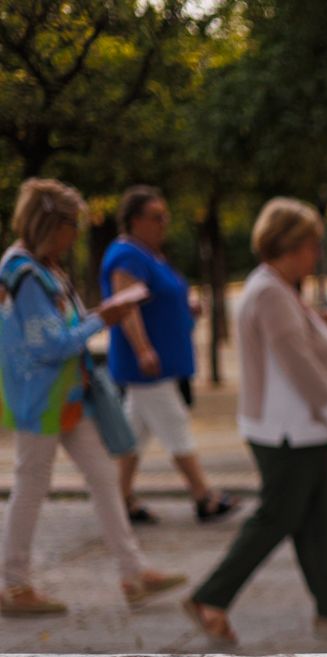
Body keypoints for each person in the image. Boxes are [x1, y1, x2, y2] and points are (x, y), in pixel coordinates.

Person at [183, 198, 327, 645]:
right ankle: (210, 597)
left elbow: (304, 345)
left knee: (318, 517)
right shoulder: (270, 291)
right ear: (290, 245)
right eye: (312, 245)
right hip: (287, 428)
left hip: (298, 427)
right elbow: (297, 361)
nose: (317, 254)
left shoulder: (278, 287)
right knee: (279, 515)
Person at [0, 178, 186, 616]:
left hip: (64, 397)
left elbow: (59, 329)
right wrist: (103, 318)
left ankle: (133, 570)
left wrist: (95, 318)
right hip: (43, 400)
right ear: (52, 225)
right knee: (32, 485)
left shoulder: (39, 266)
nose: (76, 236)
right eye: (72, 227)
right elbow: (50, 345)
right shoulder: (25, 273)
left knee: (103, 477)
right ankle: (13, 583)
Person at [102, 185, 239, 525]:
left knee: (135, 434)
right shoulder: (127, 256)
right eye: (156, 217)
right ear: (135, 221)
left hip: (158, 362)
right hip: (147, 365)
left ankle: (119, 499)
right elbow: (126, 306)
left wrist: (184, 306)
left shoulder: (150, 254)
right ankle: (202, 495)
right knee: (173, 422)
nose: (164, 223)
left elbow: (160, 295)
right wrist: (144, 349)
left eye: (166, 216)